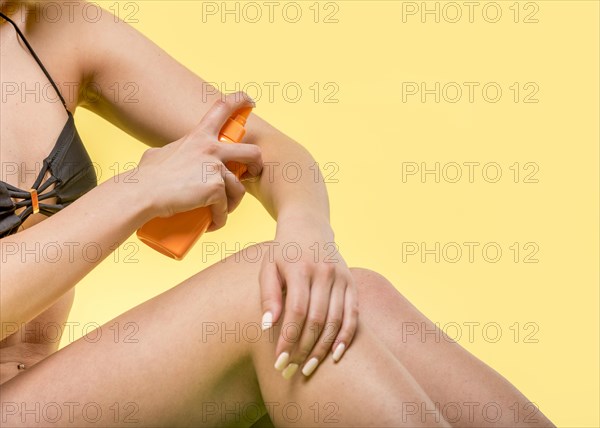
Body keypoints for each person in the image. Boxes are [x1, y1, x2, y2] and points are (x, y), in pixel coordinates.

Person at [0, 1, 555, 426]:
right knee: (269, 303)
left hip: (47, 392)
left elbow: (271, 152)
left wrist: (307, 236)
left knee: (343, 296)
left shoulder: (53, 27)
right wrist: (135, 191)